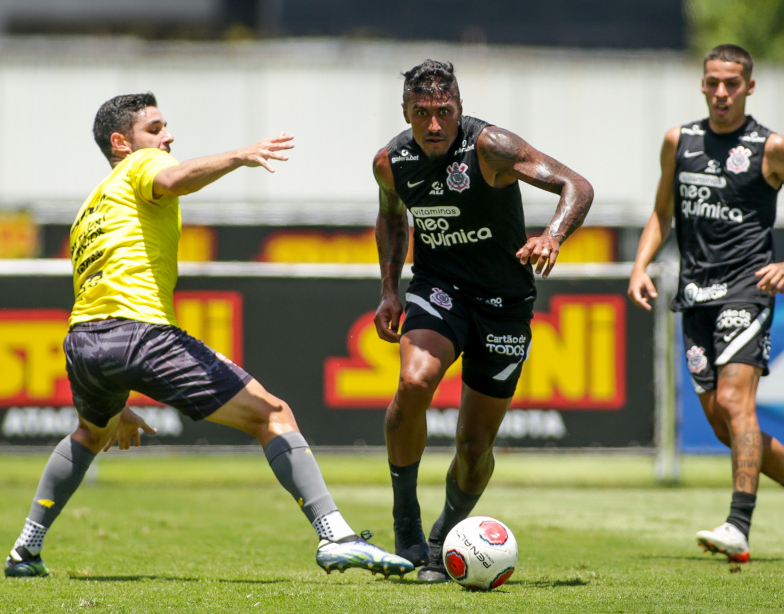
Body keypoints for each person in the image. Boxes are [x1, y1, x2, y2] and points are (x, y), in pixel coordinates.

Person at [4, 92, 413, 579]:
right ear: (122, 143)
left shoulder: (89, 210)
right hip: (139, 332)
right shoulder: (140, 168)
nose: (167, 137)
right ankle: (335, 536)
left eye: (165, 127)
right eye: (154, 129)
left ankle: (24, 550)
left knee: (92, 432)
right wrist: (240, 156)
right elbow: (174, 178)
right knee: (274, 414)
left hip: (84, 340)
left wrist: (113, 394)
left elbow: (95, 294)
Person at [372, 60, 594, 581]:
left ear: (460, 109)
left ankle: (442, 540)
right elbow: (390, 216)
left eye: (443, 113)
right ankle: (406, 526)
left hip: (504, 304)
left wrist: (553, 236)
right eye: (421, 113)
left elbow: (577, 186)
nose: (433, 126)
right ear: (405, 111)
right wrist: (388, 291)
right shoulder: (391, 161)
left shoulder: (490, 147)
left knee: (474, 448)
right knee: (414, 380)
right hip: (437, 290)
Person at [627, 44, 784, 562]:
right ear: (702, 85)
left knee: (734, 404)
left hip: (748, 289)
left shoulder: (772, 147)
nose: (721, 92)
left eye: (732, 84)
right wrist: (639, 266)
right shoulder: (680, 141)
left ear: (749, 87)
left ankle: (738, 527)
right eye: (712, 83)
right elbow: (662, 213)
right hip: (695, 293)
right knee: (725, 426)